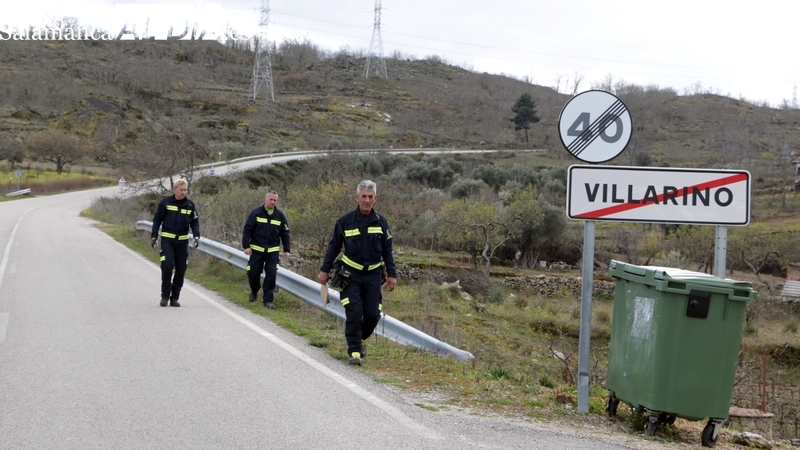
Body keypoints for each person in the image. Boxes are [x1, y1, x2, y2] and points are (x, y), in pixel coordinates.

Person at [318, 180, 397, 366]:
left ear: (375, 199)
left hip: (373, 276)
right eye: (364, 197)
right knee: (353, 312)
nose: (367, 200)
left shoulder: (381, 222)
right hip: (350, 275)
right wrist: (324, 270)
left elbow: (388, 251)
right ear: (357, 197)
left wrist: (392, 275)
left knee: (372, 315)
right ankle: (354, 351)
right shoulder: (344, 222)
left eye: (370, 197)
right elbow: (334, 247)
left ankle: (358, 340)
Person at [151, 178, 200, 307]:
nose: (183, 192)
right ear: (175, 189)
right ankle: (165, 295)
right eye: (181, 190)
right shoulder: (165, 203)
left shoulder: (190, 205)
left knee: (181, 268)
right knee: (167, 265)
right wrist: (154, 236)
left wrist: (196, 236)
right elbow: (157, 220)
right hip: (167, 240)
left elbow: (195, 222)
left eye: (185, 190)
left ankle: (175, 297)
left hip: (182, 243)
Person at [242, 189, 291, 309]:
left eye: (275, 200)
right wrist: (246, 246)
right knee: (253, 273)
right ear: (265, 198)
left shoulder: (280, 216)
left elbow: (285, 233)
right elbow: (247, 230)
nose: (273, 202)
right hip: (256, 250)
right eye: (271, 199)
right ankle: (254, 290)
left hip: (272, 252)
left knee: (271, 274)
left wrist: (286, 249)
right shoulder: (256, 213)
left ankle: (268, 300)